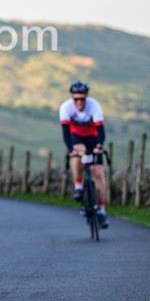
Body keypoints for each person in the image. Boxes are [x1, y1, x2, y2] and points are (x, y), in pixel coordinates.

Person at [60, 80, 109, 229]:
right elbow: (65, 132)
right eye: (76, 99)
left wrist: (99, 146)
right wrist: (70, 148)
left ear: (87, 97)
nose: (79, 102)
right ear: (72, 98)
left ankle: (101, 209)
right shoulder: (66, 107)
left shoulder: (94, 105)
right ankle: (79, 186)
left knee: (98, 172)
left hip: (93, 137)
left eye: (82, 98)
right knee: (77, 154)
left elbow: (101, 130)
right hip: (77, 137)